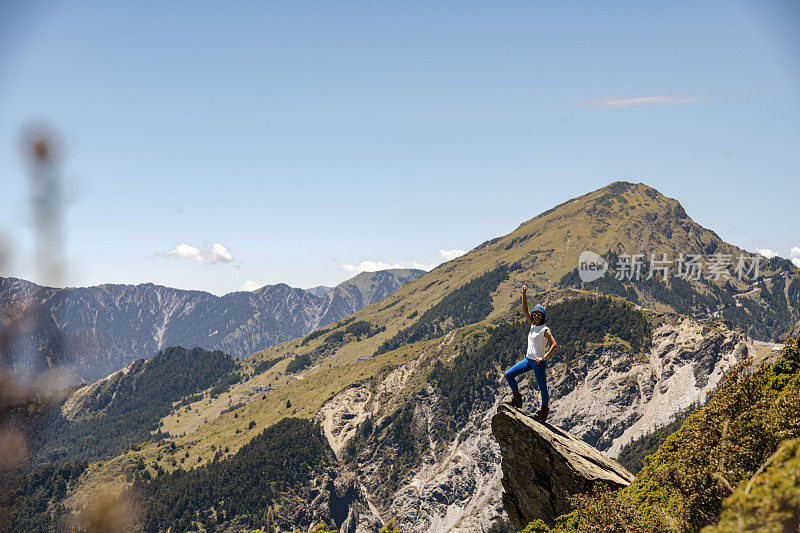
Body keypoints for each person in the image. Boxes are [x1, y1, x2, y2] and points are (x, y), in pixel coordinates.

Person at [504, 283, 557, 422]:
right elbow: (524, 310)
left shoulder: (545, 329)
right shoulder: (532, 325)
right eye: (535, 314)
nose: (536, 315)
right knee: (509, 375)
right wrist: (524, 294)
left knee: (542, 386)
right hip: (528, 360)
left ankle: (544, 410)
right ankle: (517, 398)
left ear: (543, 316)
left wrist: (544, 357)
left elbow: (554, 345)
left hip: (538, 362)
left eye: (539, 314)